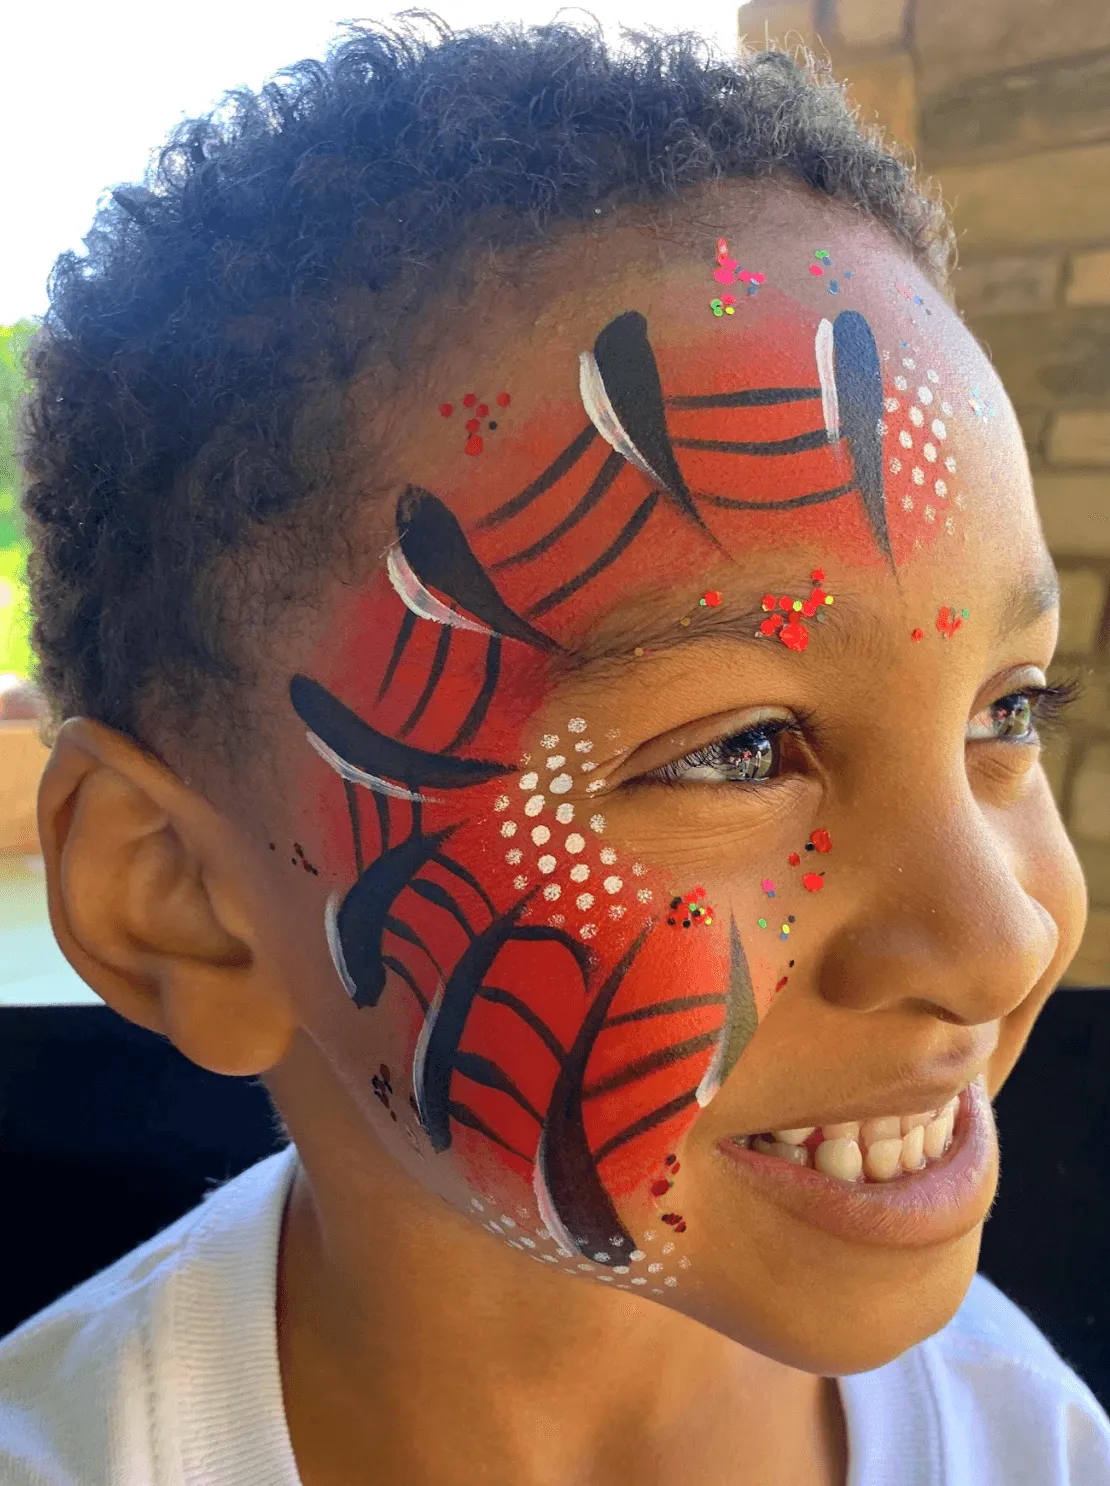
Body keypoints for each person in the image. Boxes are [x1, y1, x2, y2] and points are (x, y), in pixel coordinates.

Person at [2, 19, 1108, 1485]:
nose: (1003, 940)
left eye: (1005, 712)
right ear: (180, 900)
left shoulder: (1035, 1441)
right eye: (737, 750)